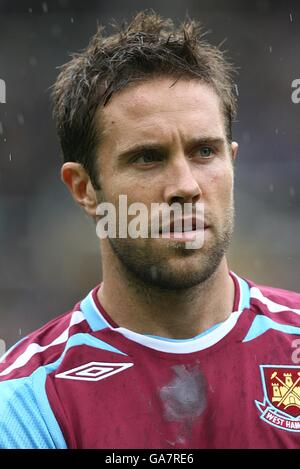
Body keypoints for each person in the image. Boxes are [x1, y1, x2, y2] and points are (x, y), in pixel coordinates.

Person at [1, 10, 300, 450]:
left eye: (204, 151)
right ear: (85, 189)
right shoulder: (28, 401)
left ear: (232, 162)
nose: (185, 186)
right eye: (147, 158)